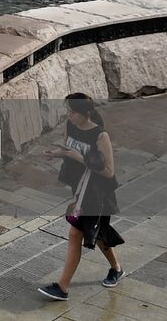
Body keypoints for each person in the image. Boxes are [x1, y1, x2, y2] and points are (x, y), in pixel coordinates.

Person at [39, 94, 124, 301]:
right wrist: (57, 153)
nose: (69, 115)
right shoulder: (72, 126)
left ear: (85, 113)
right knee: (100, 234)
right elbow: (71, 149)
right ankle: (116, 269)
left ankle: (62, 287)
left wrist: (82, 159)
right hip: (81, 190)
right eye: (68, 111)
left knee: (75, 234)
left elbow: (109, 172)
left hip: (98, 195)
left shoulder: (100, 135)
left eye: (72, 112)